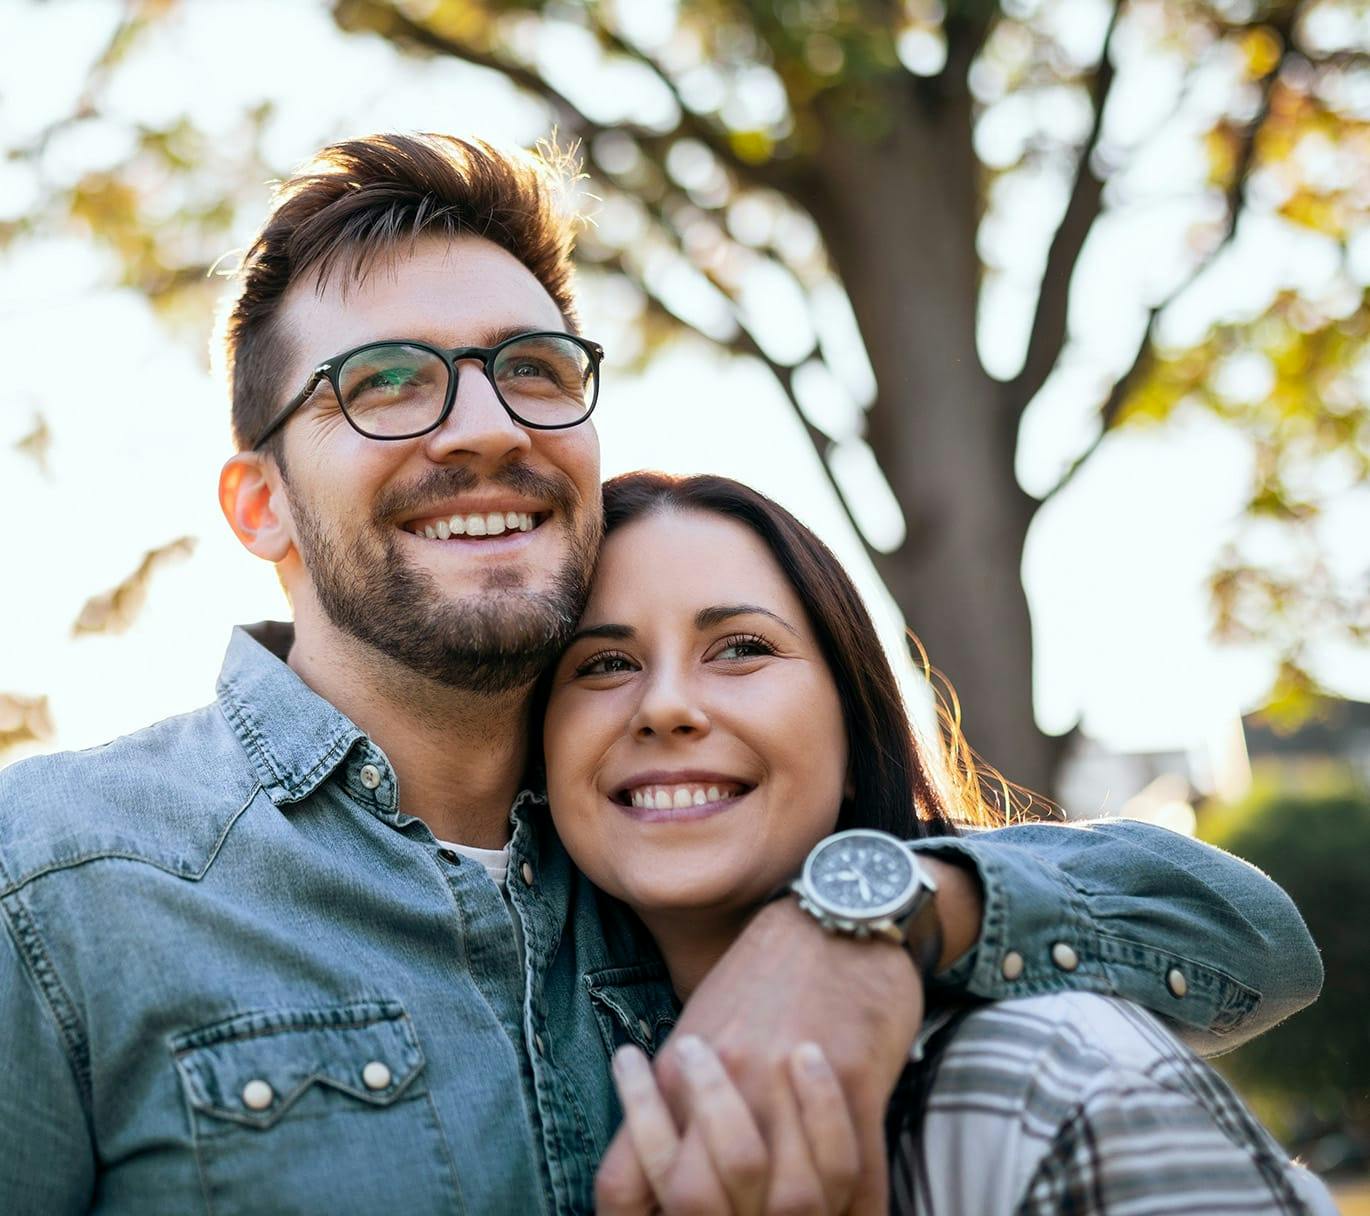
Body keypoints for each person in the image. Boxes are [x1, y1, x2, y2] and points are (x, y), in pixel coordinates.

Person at [0, 132, 1322, 1216]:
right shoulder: (54, 885)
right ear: (260, 504)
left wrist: (864, 918)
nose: (485, 428)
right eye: (385, 383)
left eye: (531, 372)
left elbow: (1243, 937)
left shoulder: (663, 851)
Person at [543, 471, 1336, 1215]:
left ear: (855, 731)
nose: (668, 705)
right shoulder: (523, 1061)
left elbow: (1266, 933)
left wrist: (858, 917)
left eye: (743, 648)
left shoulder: (1047, 1075)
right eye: (607, 663)